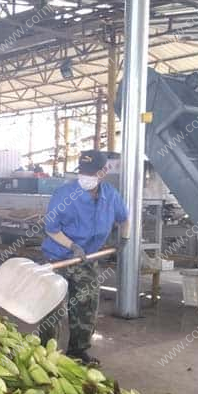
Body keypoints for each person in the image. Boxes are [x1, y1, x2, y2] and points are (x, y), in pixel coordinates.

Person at [40, 150, 129, 365]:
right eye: (82, 172)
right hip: (59, 258)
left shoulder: (110, 195)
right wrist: (72, 245)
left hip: (88, 259)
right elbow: (51, 228)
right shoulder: (64, 194)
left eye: (91, 173)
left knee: (86, 305)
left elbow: (124, 218)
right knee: (53, 307)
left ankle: (78, 350)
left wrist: (123, 239)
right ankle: (44, 353)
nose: (85, 177)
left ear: (103, 172)